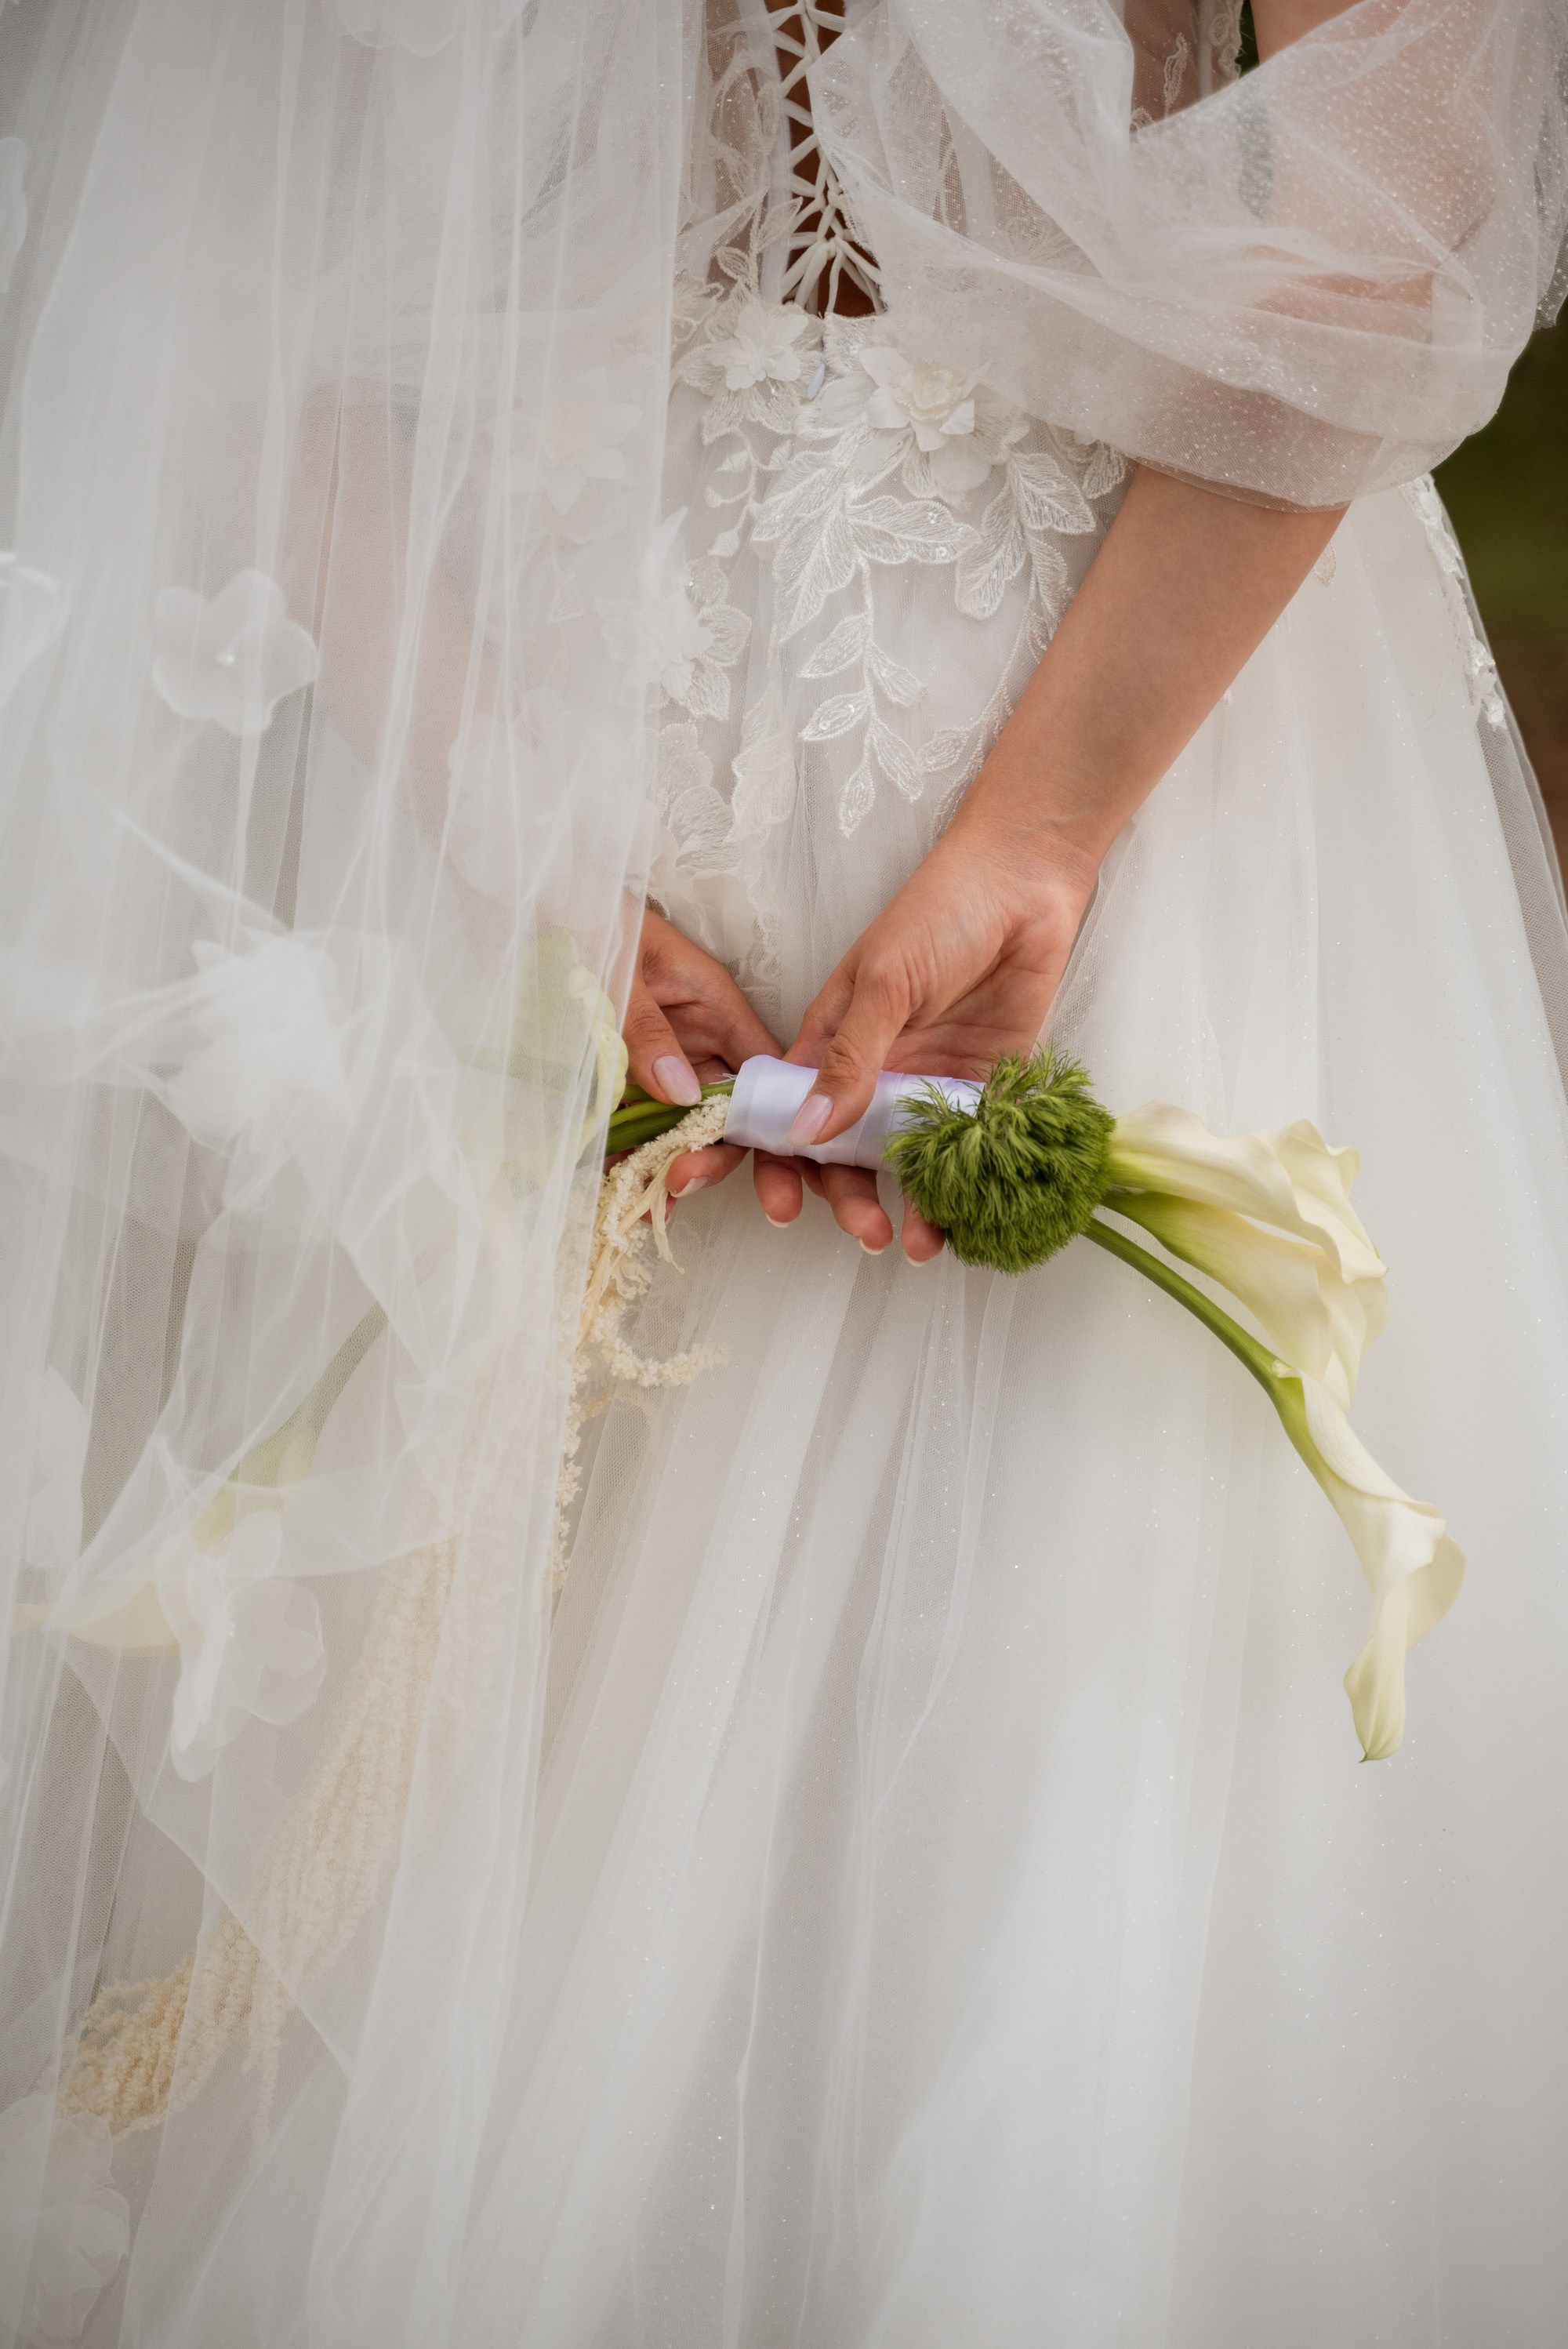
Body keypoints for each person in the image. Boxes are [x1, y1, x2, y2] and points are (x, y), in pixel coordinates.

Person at [2, 2, 1566, 2343]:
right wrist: (957, 829)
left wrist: (518, 804)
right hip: (971, 719)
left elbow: (212, 211)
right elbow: (1403, 143)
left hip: (807, 719)